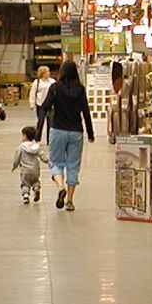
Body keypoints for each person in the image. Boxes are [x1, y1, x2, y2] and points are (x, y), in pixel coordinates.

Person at [38, 60, 95, 211]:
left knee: (56, 163)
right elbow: (86, 112)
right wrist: (91, 133)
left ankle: (59, 186)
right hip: (76, 131)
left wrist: (38, 132)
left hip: (58, 130)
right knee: (73, 166)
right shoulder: (81, 90)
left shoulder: (55, 88)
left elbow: (44, 108)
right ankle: (69, 200)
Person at [11, 125, 48, 204]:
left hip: (25, 171)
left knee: (25, 184)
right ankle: (36, 189)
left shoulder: (21, 147)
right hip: (35, 170)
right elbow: (43, 157)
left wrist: (14, 166)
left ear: (25, 136)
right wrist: (49, 162)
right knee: (35, 181)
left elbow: (16, 159)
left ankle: (25, 196)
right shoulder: (37, 147)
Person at [27, 65, 54, 137]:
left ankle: (50, 139)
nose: (49, 73)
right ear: (42, 73)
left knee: (51, 123)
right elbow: (32, 93)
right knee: (40, 122)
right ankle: (37, 138)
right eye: (47, 72)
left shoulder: (52, 81)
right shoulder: (37, 82)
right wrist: (32, 104)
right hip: (41, 105)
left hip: (51, 105)